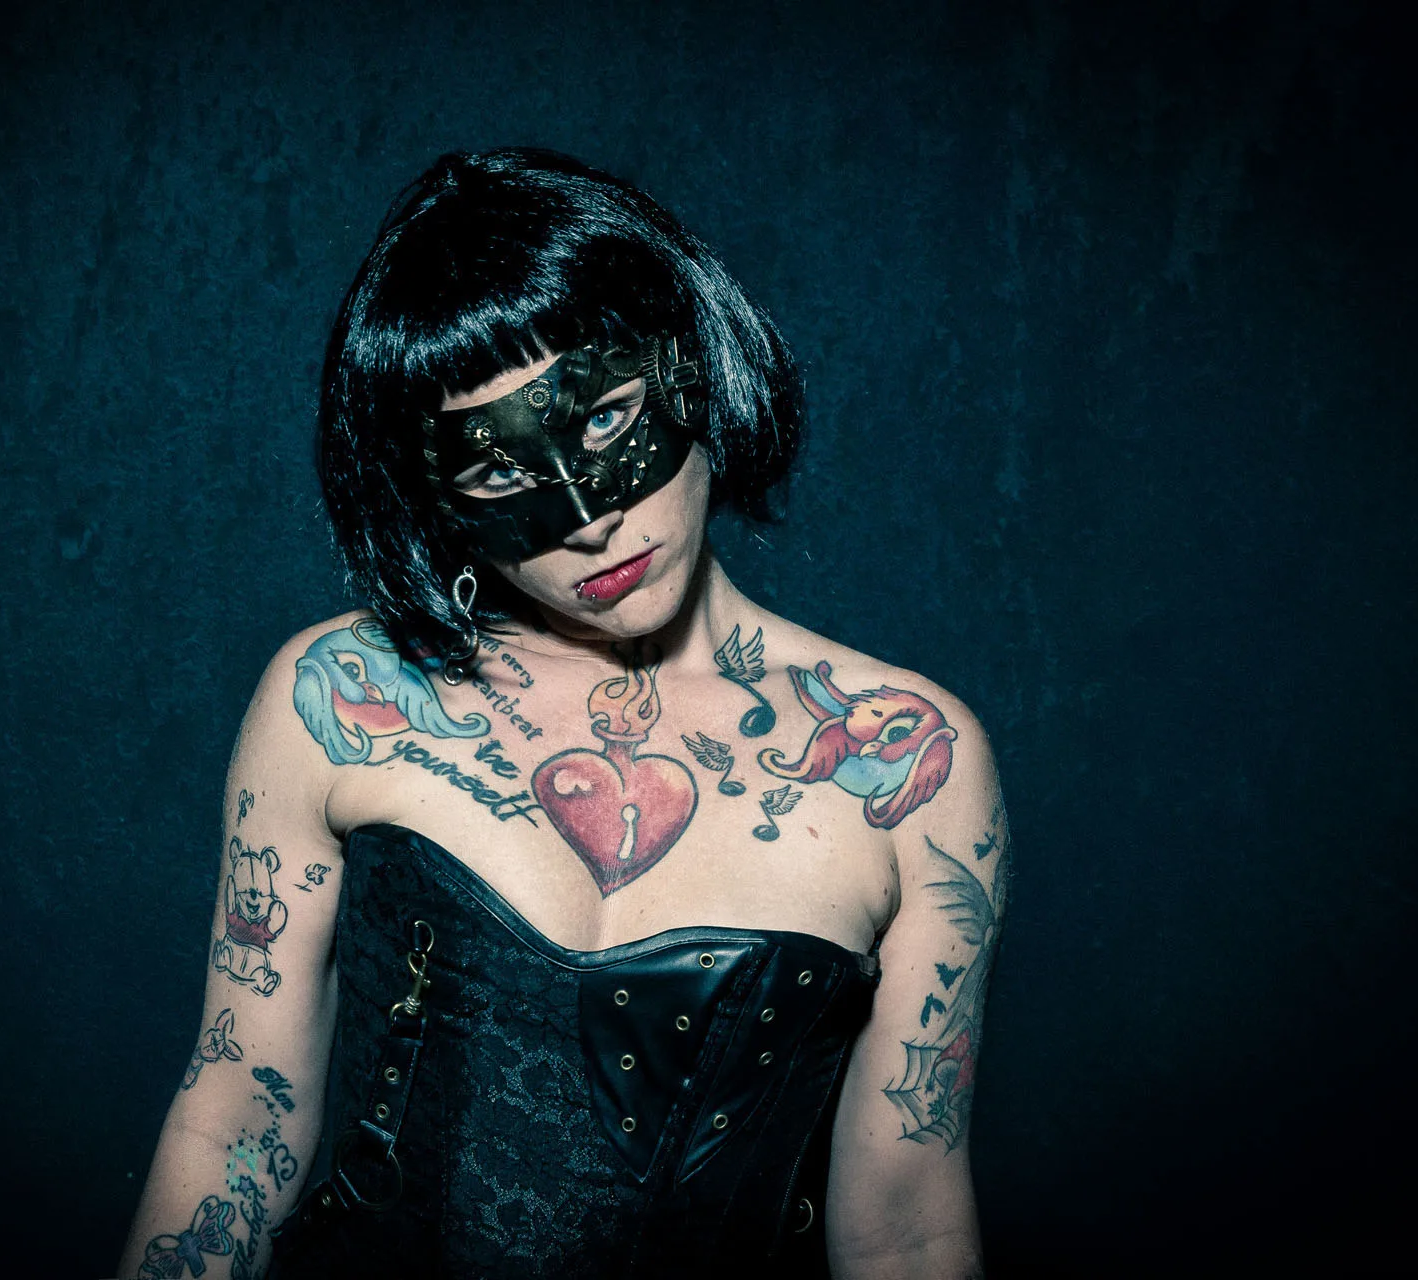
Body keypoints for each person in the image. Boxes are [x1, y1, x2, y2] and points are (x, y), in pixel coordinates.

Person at [119, 148, 1009, 1280]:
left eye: (607, 419)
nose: (589, 519)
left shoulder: (915, 760)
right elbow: (237, 1114)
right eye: (501, 475)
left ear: (694, 365)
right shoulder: (341, 697)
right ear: (432, 495)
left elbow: (906, 1227)